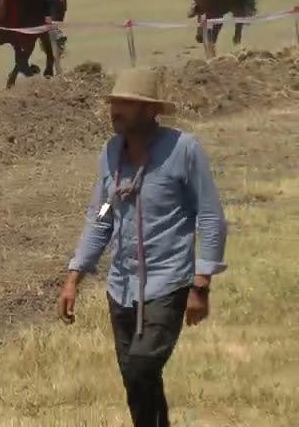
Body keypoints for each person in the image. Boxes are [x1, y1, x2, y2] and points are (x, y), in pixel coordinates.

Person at [58, 67, 227, 427]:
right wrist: (75, 276)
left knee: (141, 368)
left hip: (167, 283)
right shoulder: (110, 154)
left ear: (151, 111)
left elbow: (210, 217)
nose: (115, 110)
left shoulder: (184, 150)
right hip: (120, 287)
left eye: (127, 104)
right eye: (115, 102)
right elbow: (101, 215)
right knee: (137, 383)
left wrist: (201, 285)